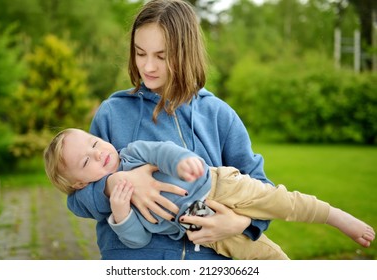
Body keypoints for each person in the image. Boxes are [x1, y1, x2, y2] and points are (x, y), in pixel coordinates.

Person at [66, 0, 287, 260]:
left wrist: (240, 224)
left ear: (186, 53)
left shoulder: (218, 114)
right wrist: (113, 185)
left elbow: (262, 189)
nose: (148, 67)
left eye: (161, 56)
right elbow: (77, 198)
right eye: (140, 53)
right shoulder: (112, 113)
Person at [44, 128, 375, 260]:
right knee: (256, 256)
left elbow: (163, 150)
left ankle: (334, 216)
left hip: (217, 185)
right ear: (78, 184)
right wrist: (121, 216)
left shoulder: (131, 153)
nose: (98, 151)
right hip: (200, 226)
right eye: (86, 160)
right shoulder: (110, 203)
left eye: (93, 142)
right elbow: (137, 241)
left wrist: (184, 161)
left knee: (280, 201)